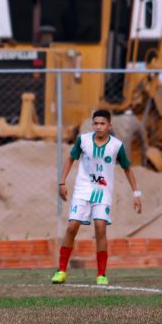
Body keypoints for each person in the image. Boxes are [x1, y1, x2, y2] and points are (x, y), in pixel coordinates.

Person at [52, 109, 142, 285]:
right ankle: (61, 271)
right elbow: (71, 159)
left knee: (101, 227)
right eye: (96, 123)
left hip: (103, 192)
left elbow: (127, 168)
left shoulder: (116, 145)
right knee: (72, 227)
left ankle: (101, 274)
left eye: (102, 123)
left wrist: (136, 194)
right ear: (93, 124)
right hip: (82, 190)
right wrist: (61, 183)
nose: (99, 127)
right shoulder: (83, 140)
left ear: (110, 125)